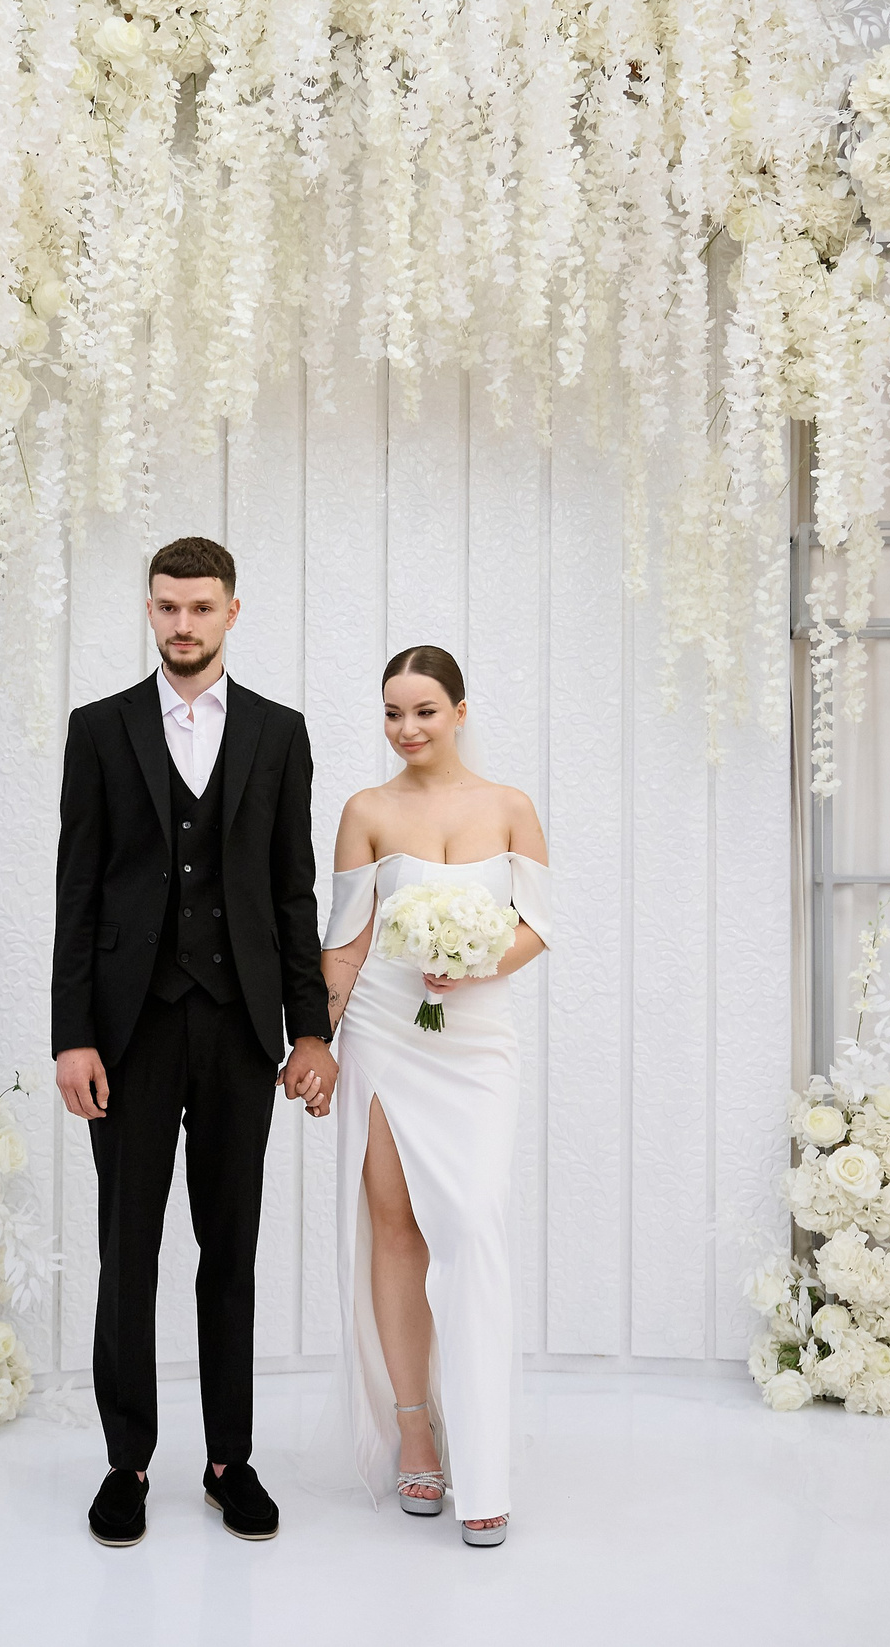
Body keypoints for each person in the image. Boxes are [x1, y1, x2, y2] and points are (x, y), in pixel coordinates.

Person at [51, 535, 338, 1550]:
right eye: (167, 606)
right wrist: (72, 1035)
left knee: (231, 1248)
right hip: (127, 1032)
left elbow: (293, 894)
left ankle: (229, 1461)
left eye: (201, 607)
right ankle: (127, 1461)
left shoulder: (279, 732)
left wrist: (310, 1026)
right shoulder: (98, 729)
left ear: (231, 612)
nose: (183, 623)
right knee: (126, 1251)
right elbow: (78, 891)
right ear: (149, 609)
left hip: (237, 1025)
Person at [316, 645, 551, 1548]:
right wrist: (317, 1042)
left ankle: (485, 1462)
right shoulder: (366, 811)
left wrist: (474, 959)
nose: (406, 728)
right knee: (396, 1228)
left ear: (459, 711)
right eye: (392, 712)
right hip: (385, 1032)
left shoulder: (510, 806)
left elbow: (537, 925)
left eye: (423, 710)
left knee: (475, 1223)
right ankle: (414, 1428)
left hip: (478, 1042)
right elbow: (346, 941)